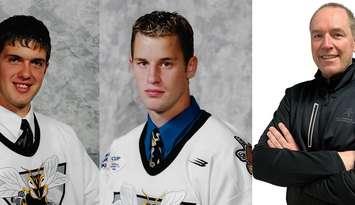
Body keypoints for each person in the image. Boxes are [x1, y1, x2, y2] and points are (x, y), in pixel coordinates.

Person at [101, 11, 251, 205]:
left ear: (190, 67)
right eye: (143, 63)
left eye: (166, 64)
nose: (152, 77)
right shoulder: (119, 151)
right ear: (132, 65)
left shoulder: (225, 153)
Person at [253, 3, 355, 205]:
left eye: (337, 34)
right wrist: (339, 161)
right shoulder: (295, 97)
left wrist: (296, 168)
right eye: (317, 35)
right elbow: (259, 163)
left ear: (353, 42)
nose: (326, 44)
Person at [0, 15, 98, 205]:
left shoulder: (65, 137)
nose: (26, 73)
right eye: (15, 60)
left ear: (45, 68)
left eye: (36, 63)